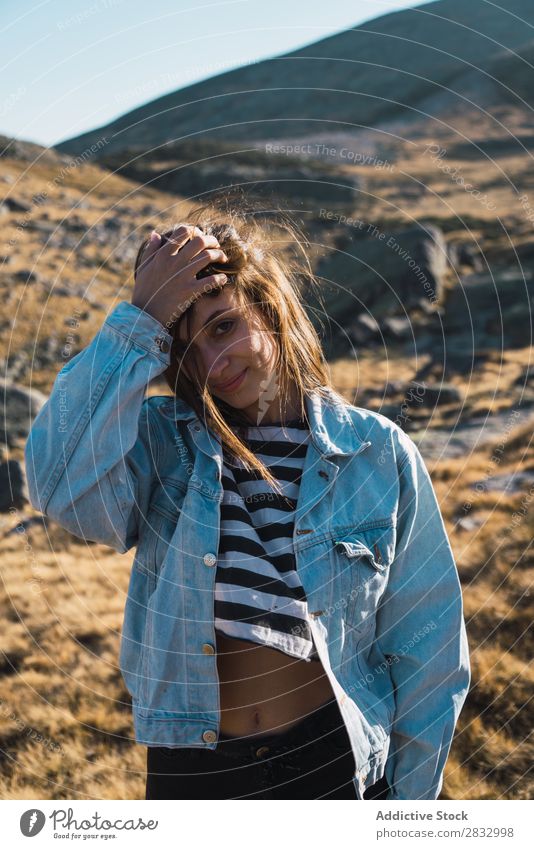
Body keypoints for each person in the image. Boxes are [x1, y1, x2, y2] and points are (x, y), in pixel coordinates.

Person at [24, 200, 470, 801]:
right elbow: (55, 483)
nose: (212, 363)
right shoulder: (164, 443)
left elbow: (429, 648)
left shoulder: (376, 453)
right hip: (196, 771)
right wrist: (141, 321)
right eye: (185, 347)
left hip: (332, 762)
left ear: (269, 307)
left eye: (223, 326)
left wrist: (409, 811)